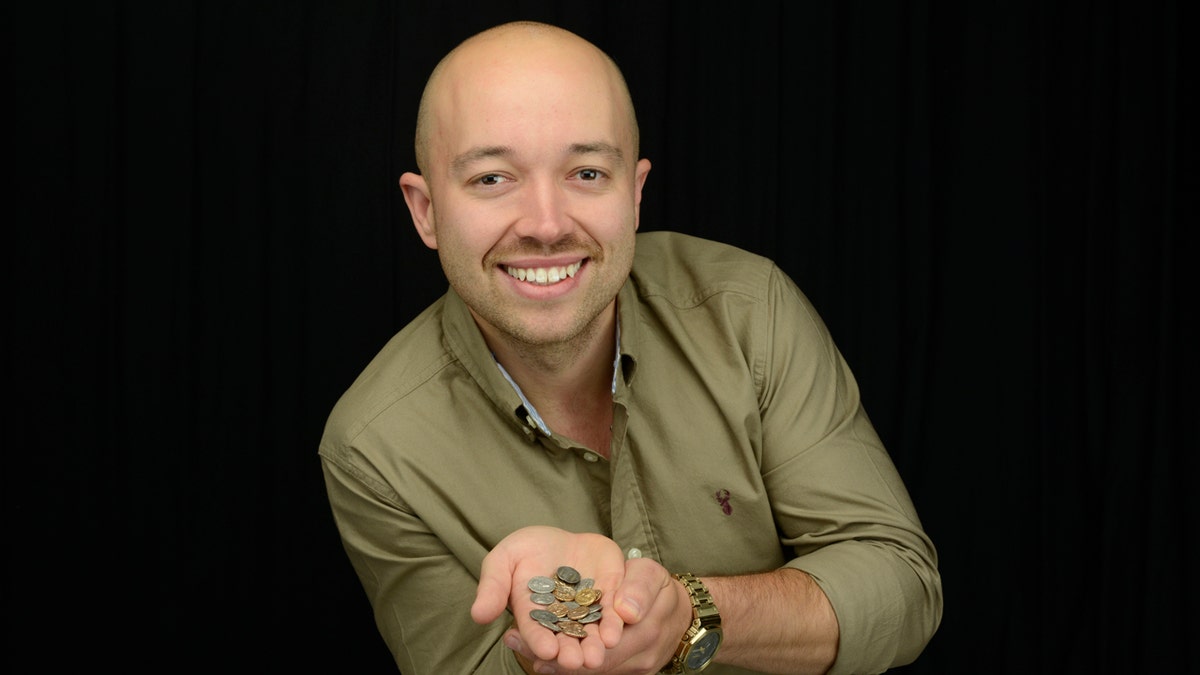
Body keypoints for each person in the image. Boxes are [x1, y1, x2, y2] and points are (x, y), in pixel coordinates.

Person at [319, 20, 942, 675]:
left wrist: (691, 614)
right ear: (425, 211)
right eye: (493, 179)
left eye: (586, 172)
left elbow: (901, 586)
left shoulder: (748, 312)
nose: (547, 223)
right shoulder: (375, 446)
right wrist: (570, 621)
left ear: (635, 193)